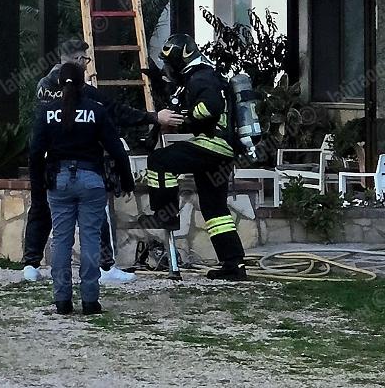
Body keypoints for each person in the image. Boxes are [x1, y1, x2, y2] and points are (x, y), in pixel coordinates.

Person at [22, 40, 183, 284]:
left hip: (49, 165)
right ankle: (105, 268)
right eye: (85, 61)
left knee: (44, 214)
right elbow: (115, 114)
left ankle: (33, 266)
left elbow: (37, 139)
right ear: (77, 61)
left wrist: (35, 171)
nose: (87, 66)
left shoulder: (43, 86)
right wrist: (153, 117)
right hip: (84, 168)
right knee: (97, 217)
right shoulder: (84, 94)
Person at [30, 60, 133, 315]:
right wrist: (126, 178)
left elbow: (35, 153)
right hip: (91, 181)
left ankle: (62, 300)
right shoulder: (95, 111)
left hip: (59, 181)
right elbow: (116, 149)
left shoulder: (48, 113)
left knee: (61, 240)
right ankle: (89, 300)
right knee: (90, 240)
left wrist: (38, 189)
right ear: (82, 83)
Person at [145, 33, 248, 280]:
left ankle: (165, 213)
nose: (169, 69)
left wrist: (183, 115)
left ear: (183, 60)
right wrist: (159, 83)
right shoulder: (203, 76)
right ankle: (233, 265)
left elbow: (209, 108)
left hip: (211, 145)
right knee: (215, 209)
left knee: (159, 161)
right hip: (221, 150)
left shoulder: (201, 77)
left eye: (171, 64)